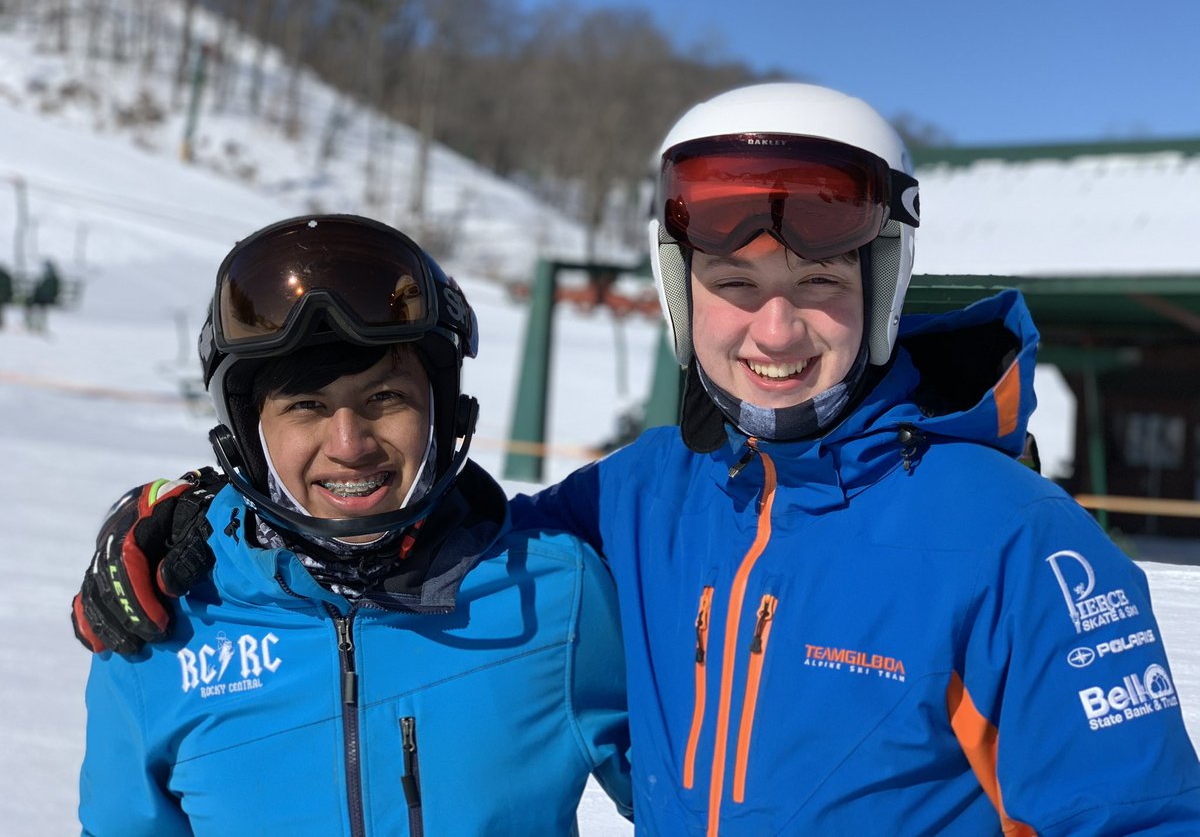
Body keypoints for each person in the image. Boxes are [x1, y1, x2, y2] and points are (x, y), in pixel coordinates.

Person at [73, 86, 1200, 834]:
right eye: (735, 287)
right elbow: (417, 531)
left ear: (882, 288)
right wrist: (179, 514)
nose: (773, 332)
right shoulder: (638, 499)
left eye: (817, 287)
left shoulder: (1013, 539)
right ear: (679, 296)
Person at [74, 214, 631, 834]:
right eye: (305, 406)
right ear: (250, 436)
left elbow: (703, 802)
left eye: (384, 398)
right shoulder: (161, 622)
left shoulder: (558, 595)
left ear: (441, 411)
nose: (349, 444)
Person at [25, 258, 61, 332]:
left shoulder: (51, 278)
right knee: (29, 304)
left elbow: (49, 291)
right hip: (42, 298)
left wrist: (37, 295)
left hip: (45, 298)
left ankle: (35, 325)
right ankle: (31, 324)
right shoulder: (46, 277)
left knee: (35, 307)